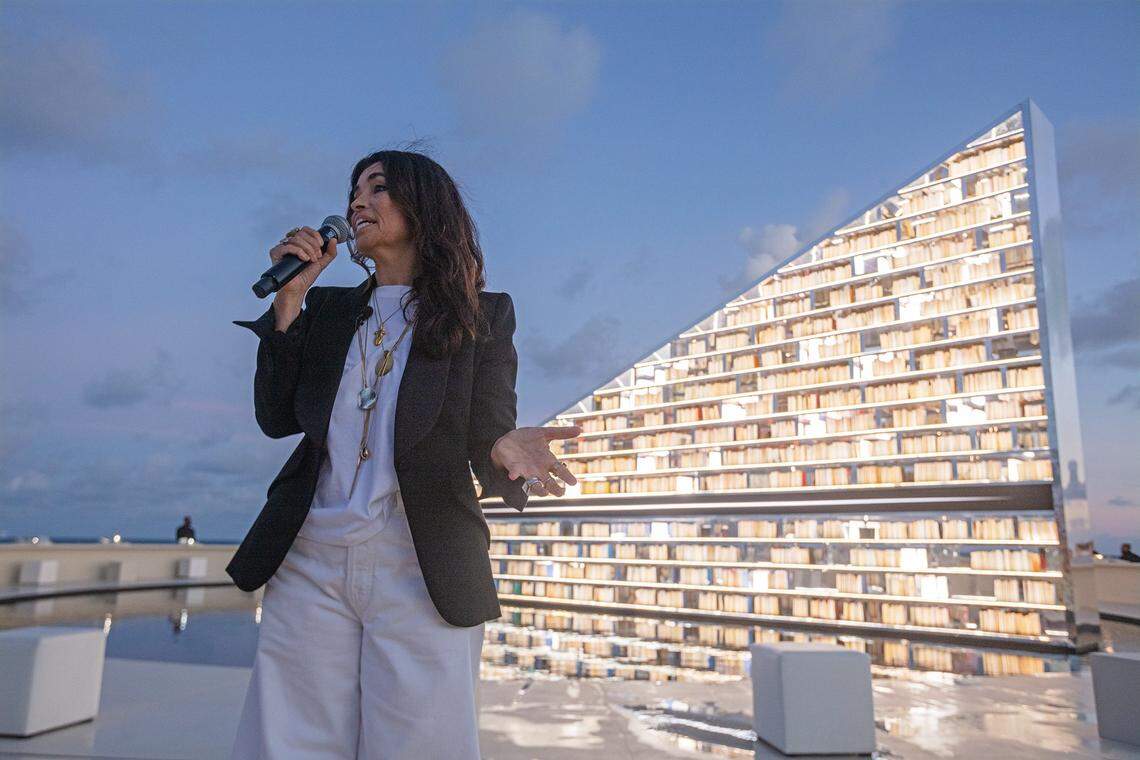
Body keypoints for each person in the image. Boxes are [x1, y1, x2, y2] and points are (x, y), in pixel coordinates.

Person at [229, 149, 582, 759]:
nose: (357, 203)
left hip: (419, 562)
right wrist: (288, 304)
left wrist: (502, 447)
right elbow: (277, 417)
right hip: (312, 556)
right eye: (353, 191)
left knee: (420, 744)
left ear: (425, 206)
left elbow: (486, 430)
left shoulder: (482, 314)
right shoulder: (331, 309)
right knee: (287, 742)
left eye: (378, 187)